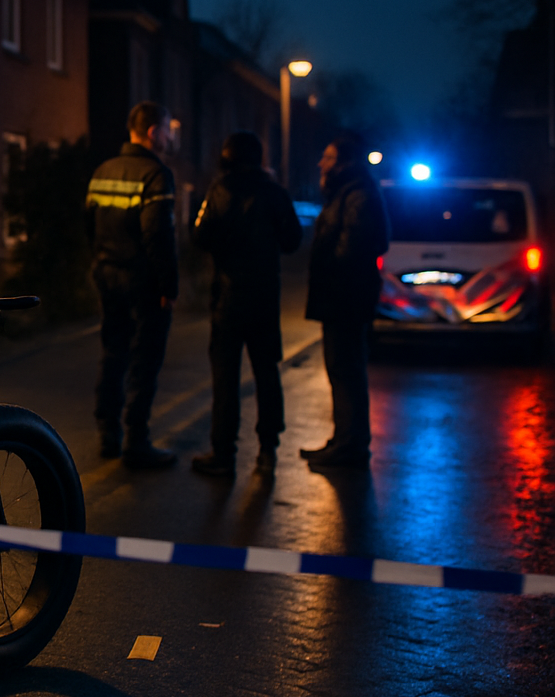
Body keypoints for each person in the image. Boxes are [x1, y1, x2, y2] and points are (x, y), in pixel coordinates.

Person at [190, 132, 303, 476]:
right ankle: (268, 448)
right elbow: (293, 239)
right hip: (264, 297)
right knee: (266, 371)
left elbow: (200, 236)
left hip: (228, 295)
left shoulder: (219, 190)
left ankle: (223, 453)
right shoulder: (274, 192)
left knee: (226, 377)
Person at [86, 101, 178, 469]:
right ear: (153, 133)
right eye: (168, 129)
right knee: (145, 357)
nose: (170, 137)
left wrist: (99, 261)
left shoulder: (103, 171)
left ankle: (107, 432)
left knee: (113, 351)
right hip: (143, 280)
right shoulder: (156, 175)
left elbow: (89, 224)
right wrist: (168, 285)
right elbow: (158, 235)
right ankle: (137, 439)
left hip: (107, 273)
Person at [301, 131, 389, 470]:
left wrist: (334, 273)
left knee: (346, 368)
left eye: (328, 157)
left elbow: (355, 244)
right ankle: (344, 439)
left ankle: (350, 445)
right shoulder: (349, 192)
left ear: (344, 163)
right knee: (342, 369)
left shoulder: (357, 195)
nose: (320, 163)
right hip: (342, 295)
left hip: (345, 296)